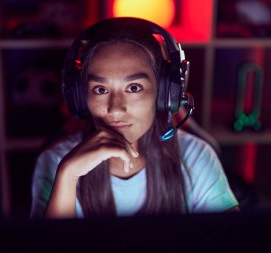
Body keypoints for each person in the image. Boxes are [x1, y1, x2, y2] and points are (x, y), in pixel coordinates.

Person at [30, 17, 239, 219]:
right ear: (80, 96)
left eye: (134, 87)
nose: (115, 109)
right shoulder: (56, 162)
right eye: (100, 89)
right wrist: (68, 175)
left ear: (165, 93)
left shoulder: (195, 157)